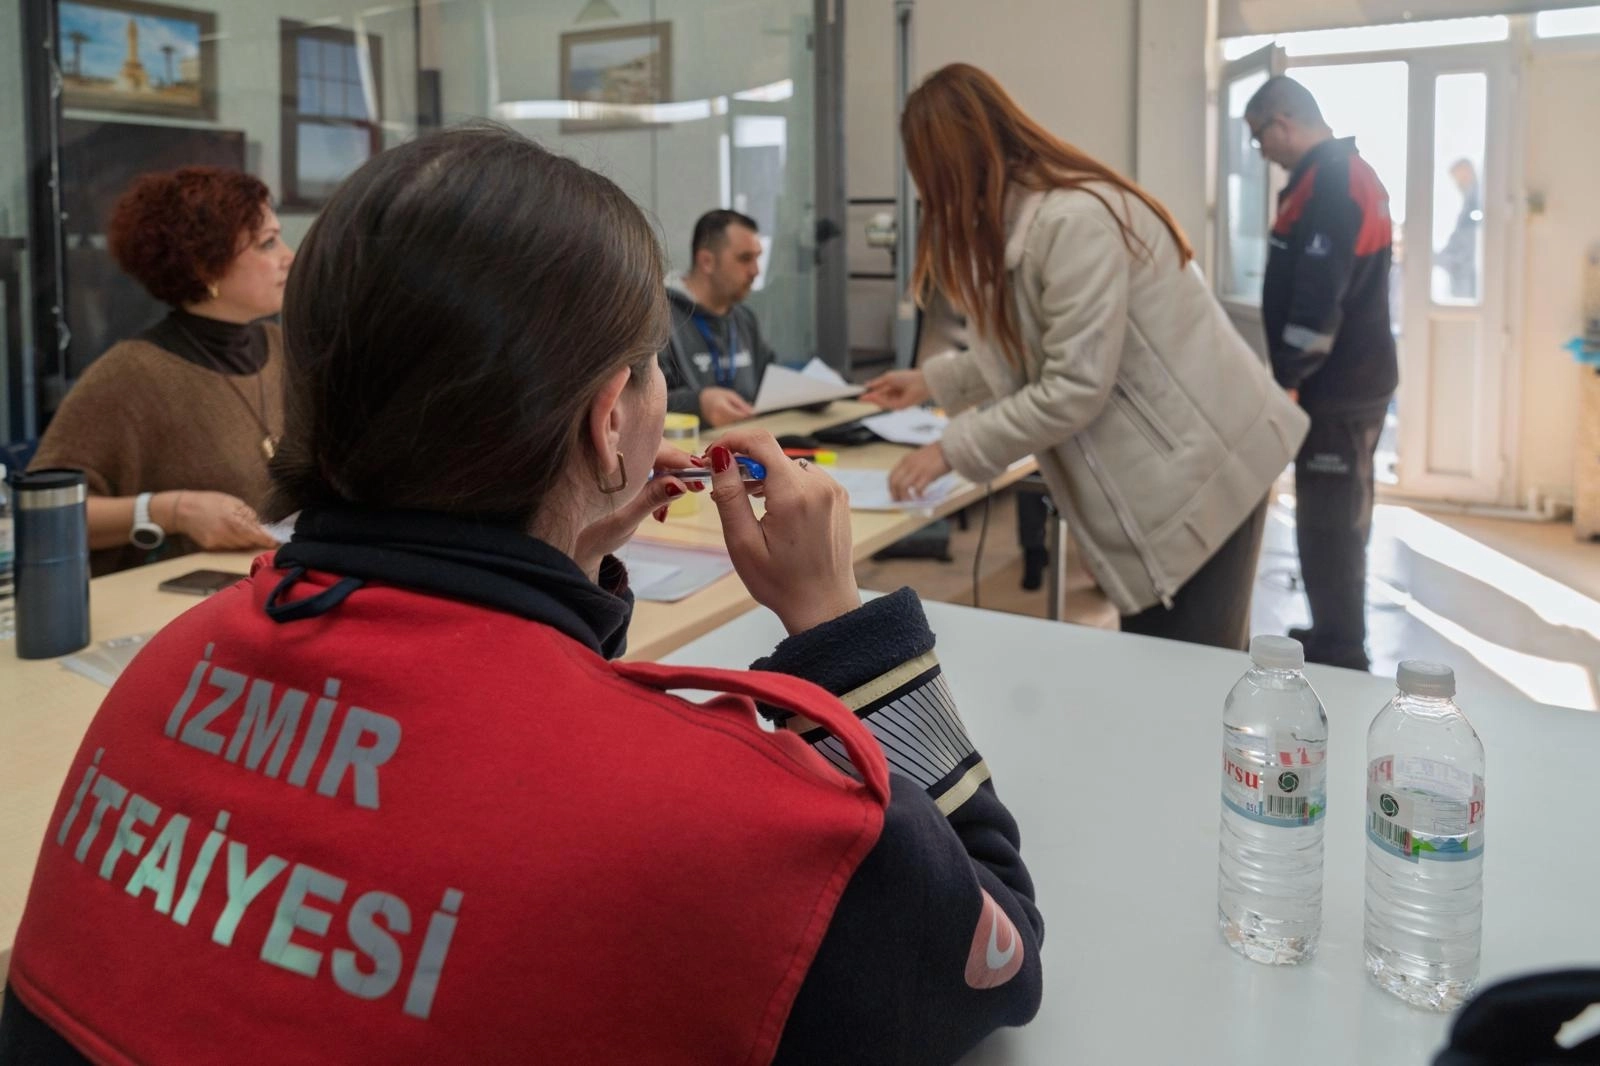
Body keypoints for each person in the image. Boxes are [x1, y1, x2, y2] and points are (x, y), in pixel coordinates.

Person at [0, 125, 1042, 1066]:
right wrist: (842, 627)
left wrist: (569, 541)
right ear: (608, 423)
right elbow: (995, 950)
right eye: (650, 374)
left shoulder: (165, 672)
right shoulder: (714, 815)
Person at [864, 64, 1307, 651]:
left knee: (1185, 677)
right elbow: (1038, 351)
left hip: (1205, 479)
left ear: (954, 163)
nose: (929, 198)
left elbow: (1073, 386)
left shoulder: (1072, 222)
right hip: (1187, 475)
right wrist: (930, 383)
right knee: (1181, 670)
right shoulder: (1034, 223)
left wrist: (949, 450)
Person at [27, 167, 291, 575]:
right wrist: (171, 511)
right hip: (187, 604)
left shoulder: (286, 348)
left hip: (289, 587)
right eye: (268, 243)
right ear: (205, 266)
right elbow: (45, 516)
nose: (289, 256)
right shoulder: (128, 375)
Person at [1246, 75, 1399, 671]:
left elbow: (1317, 300)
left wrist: (1288, 378)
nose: (1261, 150)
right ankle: (1334, 628)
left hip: (1336, 387)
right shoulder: (1340, 173)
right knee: (1337, 514)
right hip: (1353, 380)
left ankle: (1342, 650)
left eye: (1259, 136)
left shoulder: (1332, 182)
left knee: (1331, 522)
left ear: (1282, 123)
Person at [661, 209, 779, 426]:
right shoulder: (657, 318)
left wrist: (816, 394)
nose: (755, 271)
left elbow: (773, 383)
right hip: (688, 446)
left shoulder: (744, 319)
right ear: (707, 261)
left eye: (758, 258)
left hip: (747, 440)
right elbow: (636, 403)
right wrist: (697, 405)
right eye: (745, 258)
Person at [1436, 158, 1481, 301]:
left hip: (1468, 279)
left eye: (1460, 178)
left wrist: (1442, 258)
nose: (1458, 183)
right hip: (1464, 278)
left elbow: (1466, 242)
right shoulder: (1471, 202)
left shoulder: (1477, 203)